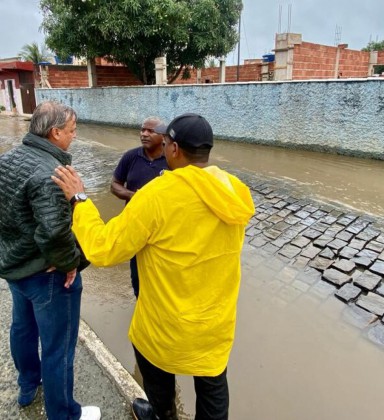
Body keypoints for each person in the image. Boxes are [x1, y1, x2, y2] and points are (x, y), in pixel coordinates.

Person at [52, 113, 255, 420]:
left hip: (166, 323)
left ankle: (161, 414)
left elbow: (104, 249)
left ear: (172, 149)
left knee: (157, 374)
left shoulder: (156, 196)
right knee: (212, 384)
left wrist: (80, 199)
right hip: (215, 322)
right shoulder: (234, 190)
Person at [0, 101, 101, 420]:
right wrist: (72, 263)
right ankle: (65, 414)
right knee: (58, 348)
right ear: (55, 133)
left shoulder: (8, 159)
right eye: (72, 131)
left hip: (16, 267)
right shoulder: (53, 174)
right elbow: (54, 232)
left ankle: (28, 385)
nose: (74, 136)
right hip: (47, 275)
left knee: (23, 329)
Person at [111, 117, 168, 298]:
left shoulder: (172, 160)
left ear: (163, 137)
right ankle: (140, 303)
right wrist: (134, 196)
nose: (144, 134)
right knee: (137, 273)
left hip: (164, 229)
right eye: (142, 130)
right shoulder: (130, 157)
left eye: (150, 131)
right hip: (135, 226)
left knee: (162, 272)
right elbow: (115, 185)